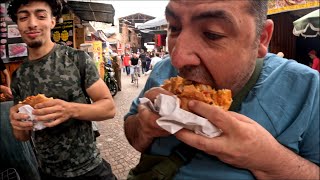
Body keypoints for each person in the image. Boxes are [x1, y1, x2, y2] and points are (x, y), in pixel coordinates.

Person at [124, 1, 319, 179]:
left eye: (212, 34)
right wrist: (143, 127)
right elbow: (131, 129)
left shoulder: (308, 88)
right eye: (174, 28)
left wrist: (272, 160)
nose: (177, 59)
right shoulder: (162, 70)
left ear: (262, 38)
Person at [7, 1, 117, 180]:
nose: (32, 23)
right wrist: (17, 124)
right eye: (23, 17)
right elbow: (23, 136)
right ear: (18, 25)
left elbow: (109, 108)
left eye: (41, 16)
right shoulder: (19, 76)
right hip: (47, 173)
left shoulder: (77, 59)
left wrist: (70, 109)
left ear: (53, 21)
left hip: (89, 170)